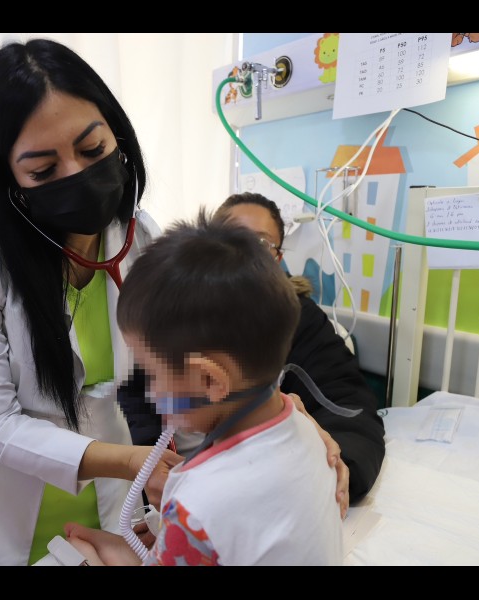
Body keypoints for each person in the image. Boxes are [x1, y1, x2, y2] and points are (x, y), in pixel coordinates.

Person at [0, 38, 183, 566]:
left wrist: (273, 412)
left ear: (117, 135)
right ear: (8, 176)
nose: (76, 174)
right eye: (43, 170)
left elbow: (192, 357)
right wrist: (130, 462)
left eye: (92, 150)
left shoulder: (137, 237)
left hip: (104, 502)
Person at [64, 212, 344, 566]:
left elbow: (217, 519)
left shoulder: (198, 505)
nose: (150, 391)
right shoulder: (308, 431)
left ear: (209, 381)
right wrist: (168, 537)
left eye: (152, 374)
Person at [119, 192, 386, 513]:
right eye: (228, 238)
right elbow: (136, 401)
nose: (239, 254)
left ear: (277, 259)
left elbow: (349, 407)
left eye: (259, 244)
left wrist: (331, 465)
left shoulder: (301, 324)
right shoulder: (163, 324)